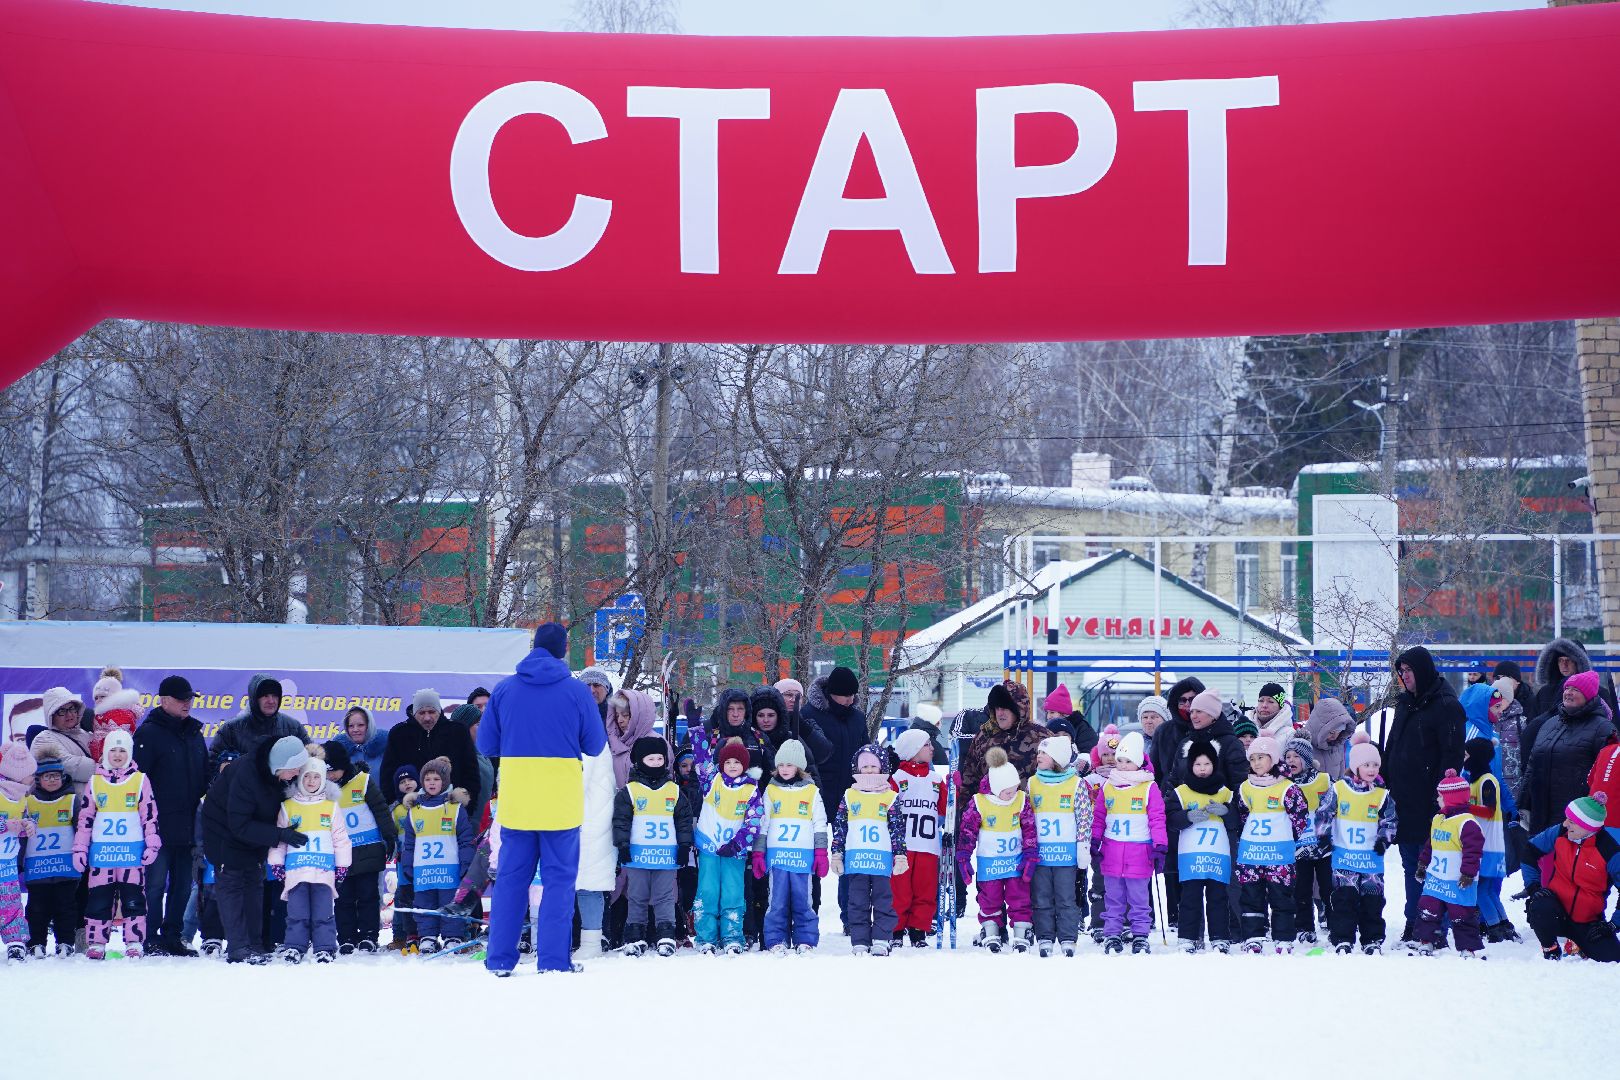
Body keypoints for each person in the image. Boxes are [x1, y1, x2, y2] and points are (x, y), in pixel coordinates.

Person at [478, 623, 608, 976]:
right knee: (559, 884)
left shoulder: (505, 689)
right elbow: (595, 745)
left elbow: (486, 745)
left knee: (510, 881)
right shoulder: (577, 692)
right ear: (563, 649)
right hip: (561, 803)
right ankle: (553, 961)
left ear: (534, 646)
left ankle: (500, 960)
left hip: (518, 800)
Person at [201, 734, 310, 964]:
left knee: (254, 886)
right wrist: (279, 835)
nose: (297, 775)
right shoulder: (247, 775)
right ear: (282, 765)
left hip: (252, 835)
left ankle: (255, 944)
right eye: (295, 769)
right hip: (223, 835)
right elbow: (239, 824)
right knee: (232, 886)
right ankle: (239, 948)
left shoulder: (273, 774)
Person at [1382, 646, 1466, 938]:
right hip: (1403, 800)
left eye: (1409, 670)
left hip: (1431, 803)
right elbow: (1393, 744)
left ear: (1423, 670)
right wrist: (1384, 776)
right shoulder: (1406, 703)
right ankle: (1412, 920)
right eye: (1401, 671)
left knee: (1431, 866)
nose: (1405, 676)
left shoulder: (1446, 705)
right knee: (1409, 865)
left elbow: (1452, 755)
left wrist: (1441, 800)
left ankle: (1432, 925)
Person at [132, 674, 208, 957]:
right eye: (181, 699)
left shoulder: (194, 733)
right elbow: (137, 781)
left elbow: (203, 776)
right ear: (164, 701)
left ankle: (172, 936)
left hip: (188, 823)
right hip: (157, 824)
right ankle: (150, 937)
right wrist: (144, 821)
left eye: (190, 698)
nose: (187, 703)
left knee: (181, 886)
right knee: (154, 884)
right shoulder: (148, 734)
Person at [72, 730, 160, 959]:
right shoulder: (95, 781)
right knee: (99, 898)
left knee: (134, 898)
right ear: (105, 753)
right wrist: (80, 848)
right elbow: (85, 819)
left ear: (129, 753)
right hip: (102, 854)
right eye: (113, 750)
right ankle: (97, 942)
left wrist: (152, 844)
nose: (118, 755)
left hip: (131, 853)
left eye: (122, 750)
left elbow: (149, 815)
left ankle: (134, 941)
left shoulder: (140, 780)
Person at [267, 750, 352, 963]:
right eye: (307, 776)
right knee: (297, 913)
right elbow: (279, 839)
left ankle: (325, 947)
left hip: (323, 870)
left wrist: (342, 866)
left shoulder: (331, 807)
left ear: (323, 779)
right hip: (297, 871)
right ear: (299, 777)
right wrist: (276, 863)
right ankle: (295, 946)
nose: (311, 780)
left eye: (316, 776)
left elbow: (341, 840)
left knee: (323, 913)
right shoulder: (288, 806)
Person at [1316, 733, 1397, 954]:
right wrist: (1323, 837)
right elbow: (1324, 813)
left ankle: (1372, 939)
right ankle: (1342, 938)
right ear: (1355, 766)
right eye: (1366, 764)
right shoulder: (1340, 789)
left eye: (1375, 765)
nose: (1372, 769)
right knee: (1344, 900)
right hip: (1345, 858)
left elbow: (1390, 820)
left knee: (1373, 901)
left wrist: (1384, 839)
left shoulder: (1381, 795)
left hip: (1370, 860)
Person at [613, 735, 693, 957]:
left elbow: (684, 821)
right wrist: (622, 845)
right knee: (637, 894)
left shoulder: (674, 791)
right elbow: (621, 820)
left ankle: (665, 933)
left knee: (665, 895)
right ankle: (635, 935)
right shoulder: (630, 792)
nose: (657, 763)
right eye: (651, 759)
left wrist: (684, 846)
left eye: (660, 759)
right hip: (638, 855)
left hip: (665, 855)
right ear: (639, 761)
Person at [1519, 791, 1620, 962]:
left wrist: (1613, 925)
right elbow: (1529, 852)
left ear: (1588, 826)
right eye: (1566, 819)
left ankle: (1579, 945)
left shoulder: (1610, 850)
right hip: (1555, 913)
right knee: (1540, 904)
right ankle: (1550, 948)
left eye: (1571, 821)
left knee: (1613, 959)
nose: (1565, 824)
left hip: (1588, 921)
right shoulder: (1560, 832)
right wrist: (1533, 887)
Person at [1090, 732, 1163, 954]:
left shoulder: (1149, 787)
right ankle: (1112, 933)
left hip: (1138, 851)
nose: (1121, 765)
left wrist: (1159, 845)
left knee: (1138, 896)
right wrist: (1095, 839)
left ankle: (1140, 933)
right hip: (1112, 850)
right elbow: (1100, 816)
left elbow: (1157, 817)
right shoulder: (1108, 786)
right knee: (1113, 896)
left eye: (1127, 761)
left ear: (1138, 762)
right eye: (1119, 760)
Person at [958, 746, 1037, 953]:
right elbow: (967, 830)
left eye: (1014, 789)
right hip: (990, 862)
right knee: (989, 897)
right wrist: (964, 855)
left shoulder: (1020, 800)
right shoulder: (980, 803)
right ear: (995, 787)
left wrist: (1030, 854)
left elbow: (1029, 828)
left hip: (1014, 861)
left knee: (1019, 896)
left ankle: (1022, 931)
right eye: (1007, 791)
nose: (1011, 794)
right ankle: (990, 929)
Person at [830, 743, 906, 956]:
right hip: (857, 860)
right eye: (865, 767)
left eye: (874, 766)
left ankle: (882, 938)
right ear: (857, 768)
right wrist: (836, 853)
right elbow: (840, 827)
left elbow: (897, 829)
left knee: (883, 901)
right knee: (857, 902)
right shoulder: (849, 796)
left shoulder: (889, 797)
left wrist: (900, 855)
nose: (870, 771)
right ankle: (860, 940)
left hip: (881, 860)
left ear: (882, 768)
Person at [1522, 669, 1618, 837]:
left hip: (1577, 818)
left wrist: (1592, 813)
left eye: (1576, 690)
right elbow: (1532, 764)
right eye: (1567, 688)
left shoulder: (1603, 728)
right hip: (1541, 814)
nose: (1568, 693)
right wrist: (1524, 803)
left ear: (1588, 695)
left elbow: (1606, 777)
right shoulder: (1550, 724)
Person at [1235, 735, 1309, 953]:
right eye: (1253, 758)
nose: (1256, 763)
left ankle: (1283, 937)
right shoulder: (1245, 788)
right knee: (1251, 896)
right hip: (1252, 853)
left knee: (1281, 896)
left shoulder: (1288, 788)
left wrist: (1288, 837)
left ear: (1274, 759)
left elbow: (1300, 818)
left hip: (1279, 854)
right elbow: (1241, 816)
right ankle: (1253, 936)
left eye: (1262, 757)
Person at [753, 739, 826, 954]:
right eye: (781, 765)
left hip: (803, 859)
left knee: (803, 902)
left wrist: (821, 853)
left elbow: (820, 823)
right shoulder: (771, 790)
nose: (785, 769)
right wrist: (759, 853)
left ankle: (805, 939)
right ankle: (775, 939)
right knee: (777, 902)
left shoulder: (811, 792)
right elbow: (763, 824)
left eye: (790, 765)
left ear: (799, 767)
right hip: (778, 859)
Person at [321, 740, 394, 953]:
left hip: (367, 849)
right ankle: (346, 937)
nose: (331, 776)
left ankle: (369, 936)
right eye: (327, 772)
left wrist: (389, 837)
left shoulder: (362, 781)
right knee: (343, 899)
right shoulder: (322, 789)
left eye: (334, 770)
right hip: (339, 854)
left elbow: (380, 808)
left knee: (368, 896)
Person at [398, 756, 475, 955]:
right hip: (423, 870)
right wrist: (407, 866)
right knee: (424, 903)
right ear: (422, 782)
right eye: (428, 779)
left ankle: (452, 936)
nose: (432, 783)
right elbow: (409, 843)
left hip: (450, 868)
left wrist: (466, 863)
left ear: (445, 782)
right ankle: (428, 937)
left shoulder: (455, 808)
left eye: (436, 779)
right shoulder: (414, 810)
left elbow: (466, 840)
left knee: (451, 903)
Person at [691, 736, 760, 955]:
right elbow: (701, 758)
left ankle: (732, 936)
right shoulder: (712, 780)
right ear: (722, 764)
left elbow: (754, 822)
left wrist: (737, 844)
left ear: (744, 766)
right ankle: (706, 937)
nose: (732, 766)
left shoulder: (750, 790)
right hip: (709, 847)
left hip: (733, 852)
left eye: (737, 763)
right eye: (728, 762)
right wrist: (696, 730)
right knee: (708, 891)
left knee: (733, 893)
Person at [1166, 739, 1235, 953]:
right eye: (1197, 764)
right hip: (1191, 855)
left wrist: (1226, 811)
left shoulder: (1225, 792)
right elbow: (1170, 817)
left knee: (1218, 897)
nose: (1202, 769)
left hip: (1217, 855)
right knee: (1190, 897)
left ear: (1214, 764)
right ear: (1190, 765)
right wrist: (1186, 816)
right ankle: (1188, 937)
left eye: (1207, 764)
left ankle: (1220, 937)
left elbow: (1237, 821)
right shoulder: (1182, 792)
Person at [1028, 733, 1091, 957]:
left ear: (1057, 758)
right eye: (1038, 752)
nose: (1039, 756)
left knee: (1066, 897)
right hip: (1041, 854)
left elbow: (1084, 817)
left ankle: (1067, 937)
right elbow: (1027, 817)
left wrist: (1083, 846)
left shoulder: (1076, 784)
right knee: (1041, 896)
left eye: (1044, 753)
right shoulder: (1032, 783)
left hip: (1065, 855)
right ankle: (1044, 936)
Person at [1412, 770, 1485, 957]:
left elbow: (1473, 852)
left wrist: (1468, 873)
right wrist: (1422, 864)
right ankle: (1427, 941)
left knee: (1462, 914)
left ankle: (1467, 947)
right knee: (1428, 909)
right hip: (1436, 876)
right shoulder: (1438, 819)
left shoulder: (1467, 823)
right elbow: (1431, 844)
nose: (1438, 799)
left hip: (1458, 879)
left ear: (1452, 799)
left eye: (1440, 796)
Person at [889, 727, 946, 948]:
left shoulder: (935, 779)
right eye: (927, 745)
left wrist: (953, 789)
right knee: (900, 889)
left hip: (928, 845)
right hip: (902, 846)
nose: (932, 748)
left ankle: (919, 929)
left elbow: (944, 808)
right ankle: (896, 929)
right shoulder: (898, 778)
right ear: (913, 750)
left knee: (925, 889)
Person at [380, 689, 481, 812]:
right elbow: (387, 775)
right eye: (421, 713)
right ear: (414, 713)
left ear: (439, 711)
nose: (427, 717)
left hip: (451, 810)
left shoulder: (458, 731)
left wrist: (467, 808)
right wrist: (397, 806)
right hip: (411, 811)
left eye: (432, 712)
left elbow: (471, 773)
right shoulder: (399, 734)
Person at [1462, 737, 1517, 943]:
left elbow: (1490, 809)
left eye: (1466, 755)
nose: (1463, 758)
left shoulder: (1487, 780)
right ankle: (1504, 924)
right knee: (1486, 889)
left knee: (1481, 890)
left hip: (1488, 844)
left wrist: (1464, 807)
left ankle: (1493, 927)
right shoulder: (1474, 780)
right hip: (1483, 842)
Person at [22, 758, 79, 956]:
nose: (53, 780)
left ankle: (65, 942)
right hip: (38, 867)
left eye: (56, 776)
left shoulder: (72, 800)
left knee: (66, 907)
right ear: (38, 779)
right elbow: (21, 836)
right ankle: (36, 942)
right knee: (37, 908)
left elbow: (81, 830)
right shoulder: (28, 802)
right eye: (48, 776)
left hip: (65, 867)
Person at [960, 679, 1052, 798]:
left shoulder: (1042, 737)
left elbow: (1058, 776)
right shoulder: (983, 737)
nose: (1000, 713)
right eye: (997, 708)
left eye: (1004, 708)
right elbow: (969, 781)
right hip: (992, 814)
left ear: (1018, 709)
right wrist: (966, 812)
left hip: (1032, 812)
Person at [1281, 736, 1331, 944]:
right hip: (1297, 847)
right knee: (1300, 888)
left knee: (1329, 887)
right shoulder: (1283, 784)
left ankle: (1335, 922)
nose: (1291, 760)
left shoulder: (1324, 780)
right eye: (1288, 756)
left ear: (1307, 759)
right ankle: (1303, 926)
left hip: (1323, 846)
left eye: (1296, 756)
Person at [208, 675, 310, 771]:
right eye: (265, 696)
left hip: (282, 789)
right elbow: (213, 765)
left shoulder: (294, 728)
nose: (271, 701)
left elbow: (310, 761)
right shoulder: (231, 729)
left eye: (275, 696)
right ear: (254, 698)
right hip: (242, 789)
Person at [30, 687, 95, 794]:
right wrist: (107, 768)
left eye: (72, 708)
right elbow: (69, 766)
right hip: (68, 807)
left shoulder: (87, 735)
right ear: (51, 716)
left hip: (99, 804)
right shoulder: (43, 740)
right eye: (62, 711)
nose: (69, 714)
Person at [388, 764, 420, 951]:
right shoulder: (395, 809)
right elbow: (391, 834)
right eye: (402, 781)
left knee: (423, 896)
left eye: (410, 780)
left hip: (426, 860)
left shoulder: (425, 803)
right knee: (402, 896)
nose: (407, 784)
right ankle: (400, 935)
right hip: (404, 860)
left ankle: (425, 934)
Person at [605, 686, 657, 788]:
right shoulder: (615, 745)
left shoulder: (656, 744)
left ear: (638, 716)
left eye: (625, 715)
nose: (620, 720)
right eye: (617, 716)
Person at [0, 775, 26, 961]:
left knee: (12, 904)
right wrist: (3, 824)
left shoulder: (20, 797)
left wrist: (28, 826)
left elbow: (27, 818)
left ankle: (15, 942)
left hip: (7, 865)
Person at [1302, 696, 1357, 781]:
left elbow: (1340, 779)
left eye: (1339, 732)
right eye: (1331, 732)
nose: (1335, 736)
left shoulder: (1337, 745)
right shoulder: (1301, 745)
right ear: (1319, 727)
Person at [334, 706, 387, 784]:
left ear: (369, 726)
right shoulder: (340, 754)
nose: (355, 730)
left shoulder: (385, 749)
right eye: (351, 726)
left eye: (360, 725)